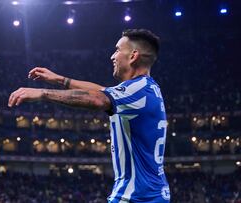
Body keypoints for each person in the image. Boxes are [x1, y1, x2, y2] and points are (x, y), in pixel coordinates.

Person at [9, 29, 170, 203]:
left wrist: (43, 93)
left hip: (136, 196)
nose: (112, 56)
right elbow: (101, 90)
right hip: (150, 193)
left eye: (117, 50)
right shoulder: (146, 88)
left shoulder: (137, 88)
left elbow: (98, 99)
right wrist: (59, 79)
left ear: (133, 56)